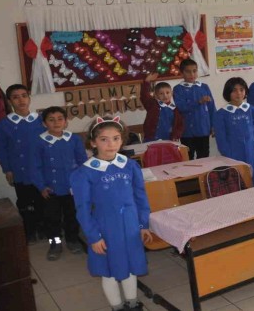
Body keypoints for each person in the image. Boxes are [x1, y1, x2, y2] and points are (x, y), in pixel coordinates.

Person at [70, 116, 151, 311]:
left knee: (131, 266)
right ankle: (117, 306)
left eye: (116, 138)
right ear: (93, 142)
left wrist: (143, 224)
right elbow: (83, 209)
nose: (111, 144)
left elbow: (140, 197)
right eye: (104, 139)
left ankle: (133, 303)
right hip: (106, 228)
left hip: (131, 226)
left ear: (122, 140)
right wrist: (94, 236)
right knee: (109, 270)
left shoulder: (130, 165)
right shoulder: (85, 173)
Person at [33, 106, 87, 260]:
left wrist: (81, 183)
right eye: (51, 120)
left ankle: (72, 240)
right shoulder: (39, 141)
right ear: (44, 124)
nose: (56, 122)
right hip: (51, 189)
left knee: (72, 216)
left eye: (60, 119)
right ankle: (55, 244)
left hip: (72, 188)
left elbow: (82, 162)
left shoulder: (74, 139)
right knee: (52, 219)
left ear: (66, 122)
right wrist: (41, 186)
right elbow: (35, 167)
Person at [0, 84, 45, 243]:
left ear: (29, 98)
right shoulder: (5, 124)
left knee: (42, 200)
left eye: (24, 96)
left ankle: (43, 229)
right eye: (15, 97)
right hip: (20, 170)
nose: (21, 100)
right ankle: (29, 231)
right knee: (25, 202)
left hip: (41, 169)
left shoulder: (41, 120)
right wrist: (7, 170)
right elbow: (2, 149)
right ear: (9, 101)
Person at [214, 77, 254, 186]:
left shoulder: (253, 110)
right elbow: (221, 139)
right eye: (234, 90)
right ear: (228, 92)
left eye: (241, 89)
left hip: (252, 152)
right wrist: (228, 156)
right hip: (233, 153)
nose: (238, 93)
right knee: (238, 182)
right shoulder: (221, 114)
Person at [174, 59, 216, 159]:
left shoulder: (204, 87)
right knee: (188, 158)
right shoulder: (178, 89)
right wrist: (198, 102)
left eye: (194, 71)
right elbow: (181, 107)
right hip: (187, 131)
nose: (192, 74)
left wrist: (214, 125)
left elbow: (212, 108)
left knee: (204, 157)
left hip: (203, 129)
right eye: (188, 71)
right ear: (182, 73)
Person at [140, 73, 184, 142]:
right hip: (151, 139)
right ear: (156, 95)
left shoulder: (175, 109)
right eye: (161, 93)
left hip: (168, 140)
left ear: (172, 93)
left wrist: (175, 135)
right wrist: (147, 81)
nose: (165, 96)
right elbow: (144, 96)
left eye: (167, 92)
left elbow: (179, 125)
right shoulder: (152, 105)